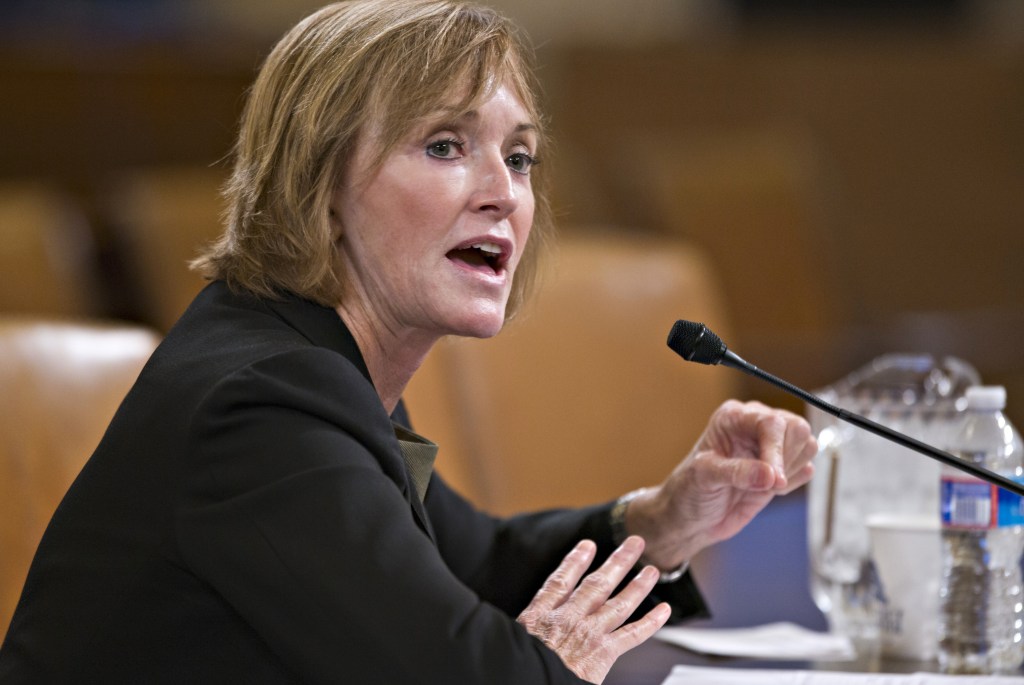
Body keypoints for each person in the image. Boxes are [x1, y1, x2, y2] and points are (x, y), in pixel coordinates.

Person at [0, 2, 816, 683]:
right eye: (445, 146)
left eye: (520, 156)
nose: (503, 193)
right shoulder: (262, 408)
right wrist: (550, 661)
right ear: (317, 184)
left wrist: (665, 519)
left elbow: (478, 565)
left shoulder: (310, 362)